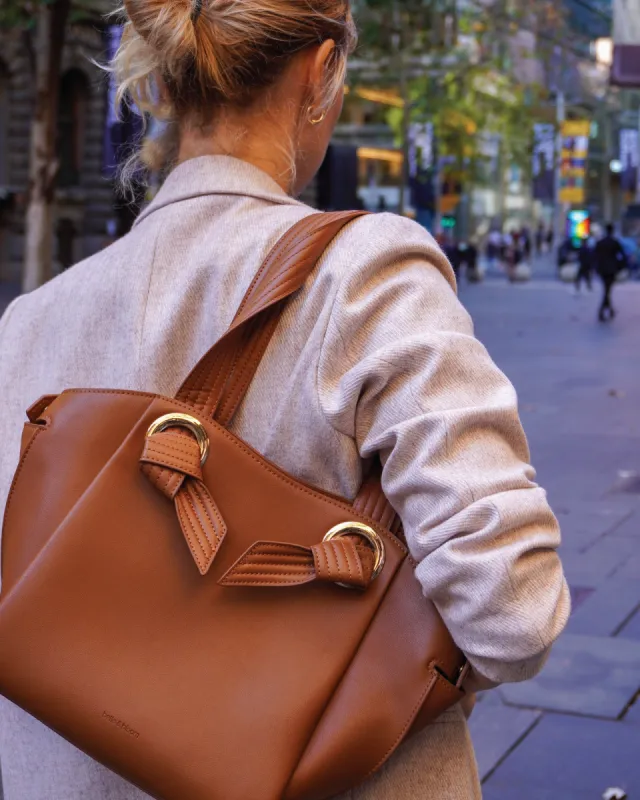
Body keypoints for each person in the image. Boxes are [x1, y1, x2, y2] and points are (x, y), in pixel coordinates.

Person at [0, 2, 569, 798]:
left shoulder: (28, 323)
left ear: (159, 79)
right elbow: (514, 611)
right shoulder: (366, 275)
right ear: (321, 71)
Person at [594, 223, 627, 321]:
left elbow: (595, 256)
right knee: (607, 290)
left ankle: (608, 310)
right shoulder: (614, 242)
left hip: (602, 269)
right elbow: (622, 255)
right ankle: (603, 310)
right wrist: (620, 266)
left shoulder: (600, 243)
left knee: (606, 289)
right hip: (612, 269)